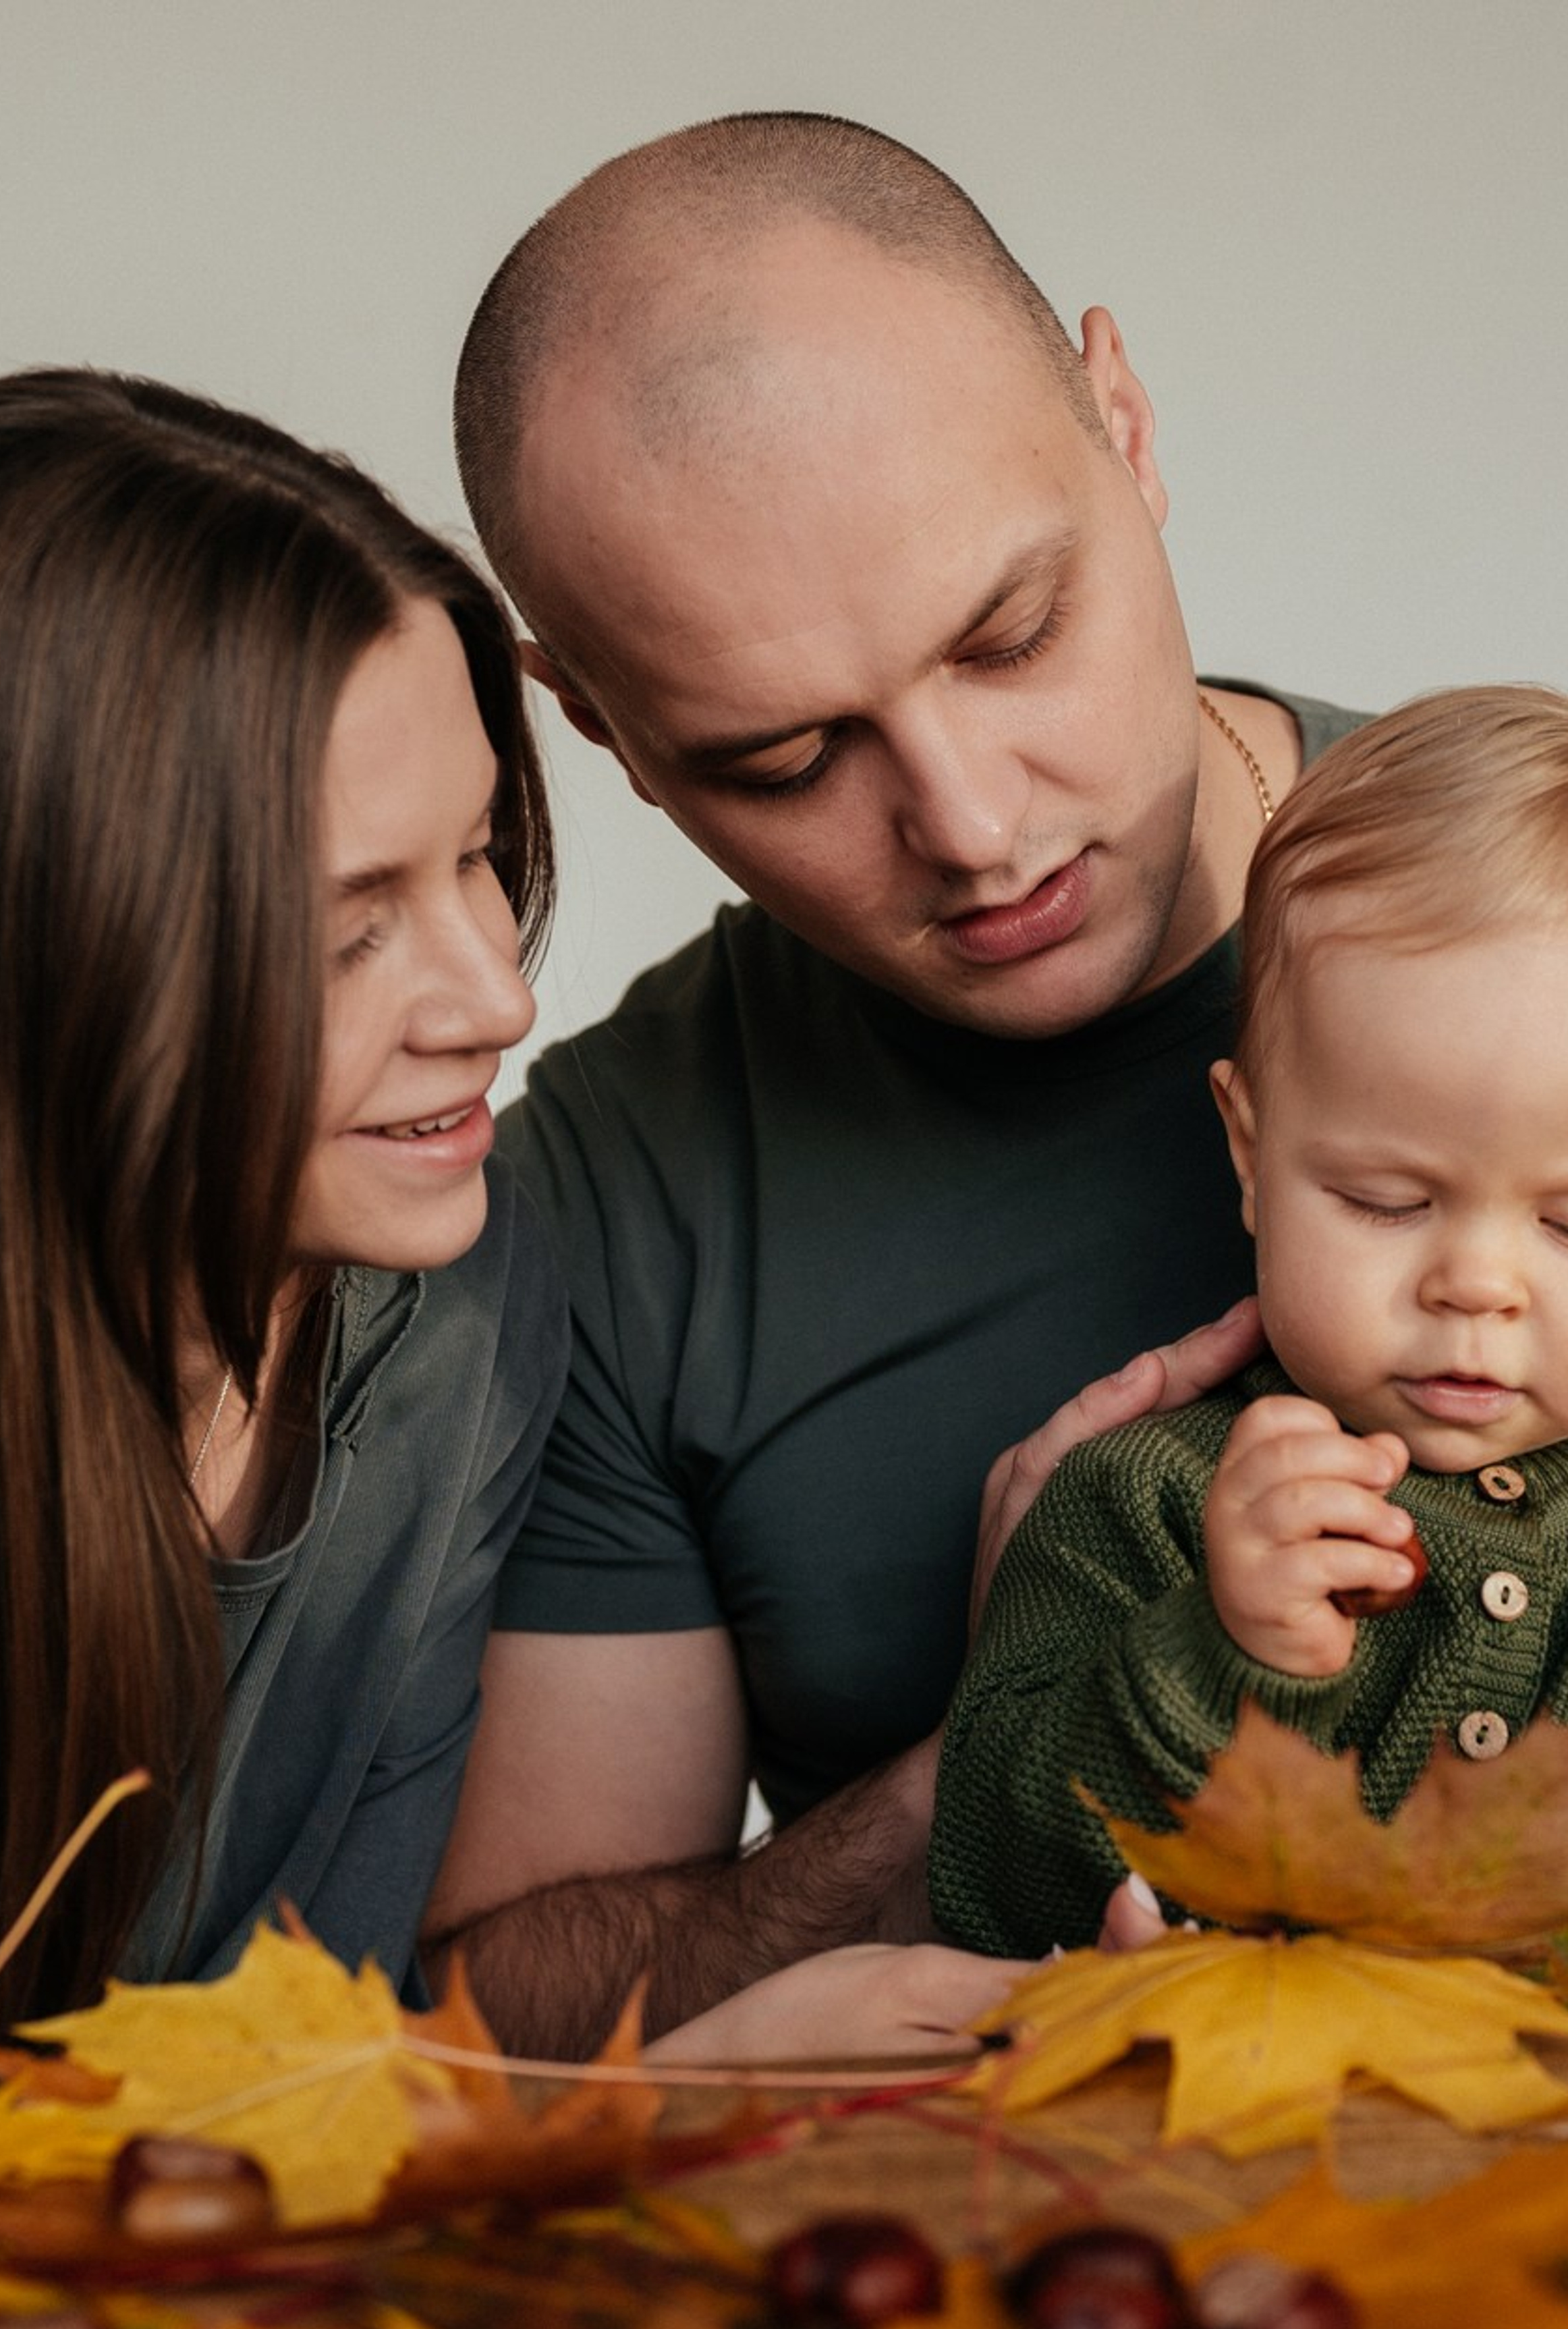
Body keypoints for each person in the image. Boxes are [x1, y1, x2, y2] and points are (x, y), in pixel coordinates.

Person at [422, 111, 1372, 2059]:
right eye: (782, 761)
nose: (969, 823)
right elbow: (492, 2024)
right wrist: (1010, 1733)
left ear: (1124, 420)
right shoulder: (597, 1206)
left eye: (1010, 637)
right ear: (596, 725)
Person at [0, 366, 565, 2075]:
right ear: (21, 975)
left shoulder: (462, 1324)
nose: (495, 1000)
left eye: (472, 857)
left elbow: (298, 2074)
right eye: (344, 933)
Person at [928, 686, 1568, 1956]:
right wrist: (1221, 1651)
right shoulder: (1150, 1502)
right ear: (1250, 1155)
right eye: (1387, 1202)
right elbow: (990, 1884)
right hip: (1240, 2133)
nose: (1478, 1287)